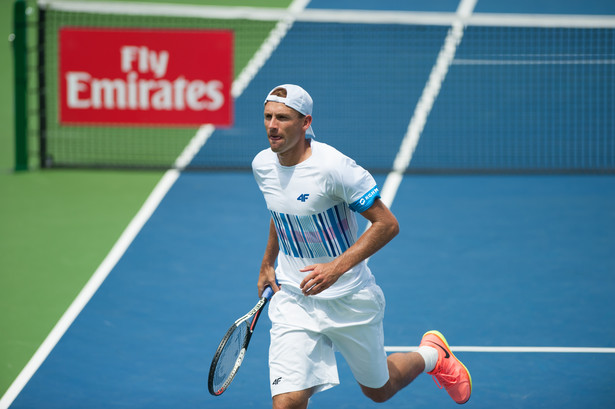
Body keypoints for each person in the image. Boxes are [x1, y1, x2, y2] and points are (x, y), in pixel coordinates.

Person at [252, 84, 471, 409]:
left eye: (283, 118)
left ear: (305, 122)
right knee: (287, 404)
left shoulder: (334, 168)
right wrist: (268, 262)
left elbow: (387, 224)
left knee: (379, 391)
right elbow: (279, 209)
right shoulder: (262, 165)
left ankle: (432, 355)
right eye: (268, 116)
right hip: (295, 299)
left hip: (349, 298)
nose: (272, 125)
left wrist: (335, 268)